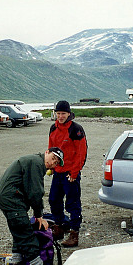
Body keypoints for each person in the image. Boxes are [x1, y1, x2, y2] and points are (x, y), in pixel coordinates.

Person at [0, 147, 64, 265]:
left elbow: (30, 190)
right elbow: (36, 192)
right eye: (53, 158)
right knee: (26, 235)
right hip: (12, 199)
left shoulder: (35, 161)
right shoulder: (36, 163)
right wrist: (39, 215)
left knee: (19, 232)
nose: (53, 163)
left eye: (56, 162)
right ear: (46, 152)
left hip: (7, 198)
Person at [48, 100, 87, 247]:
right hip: (58, 172)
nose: (60, 116)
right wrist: (50, 166)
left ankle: (74, 233)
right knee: (53, 200)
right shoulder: (53, 128)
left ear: (69, 114)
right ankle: (59, 227)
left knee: (72, 204)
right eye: (58, 113)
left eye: (63, 113)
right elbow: (51, 149)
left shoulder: (76, 129)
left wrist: (75, 173)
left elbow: (81, 153)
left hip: (70, 174)